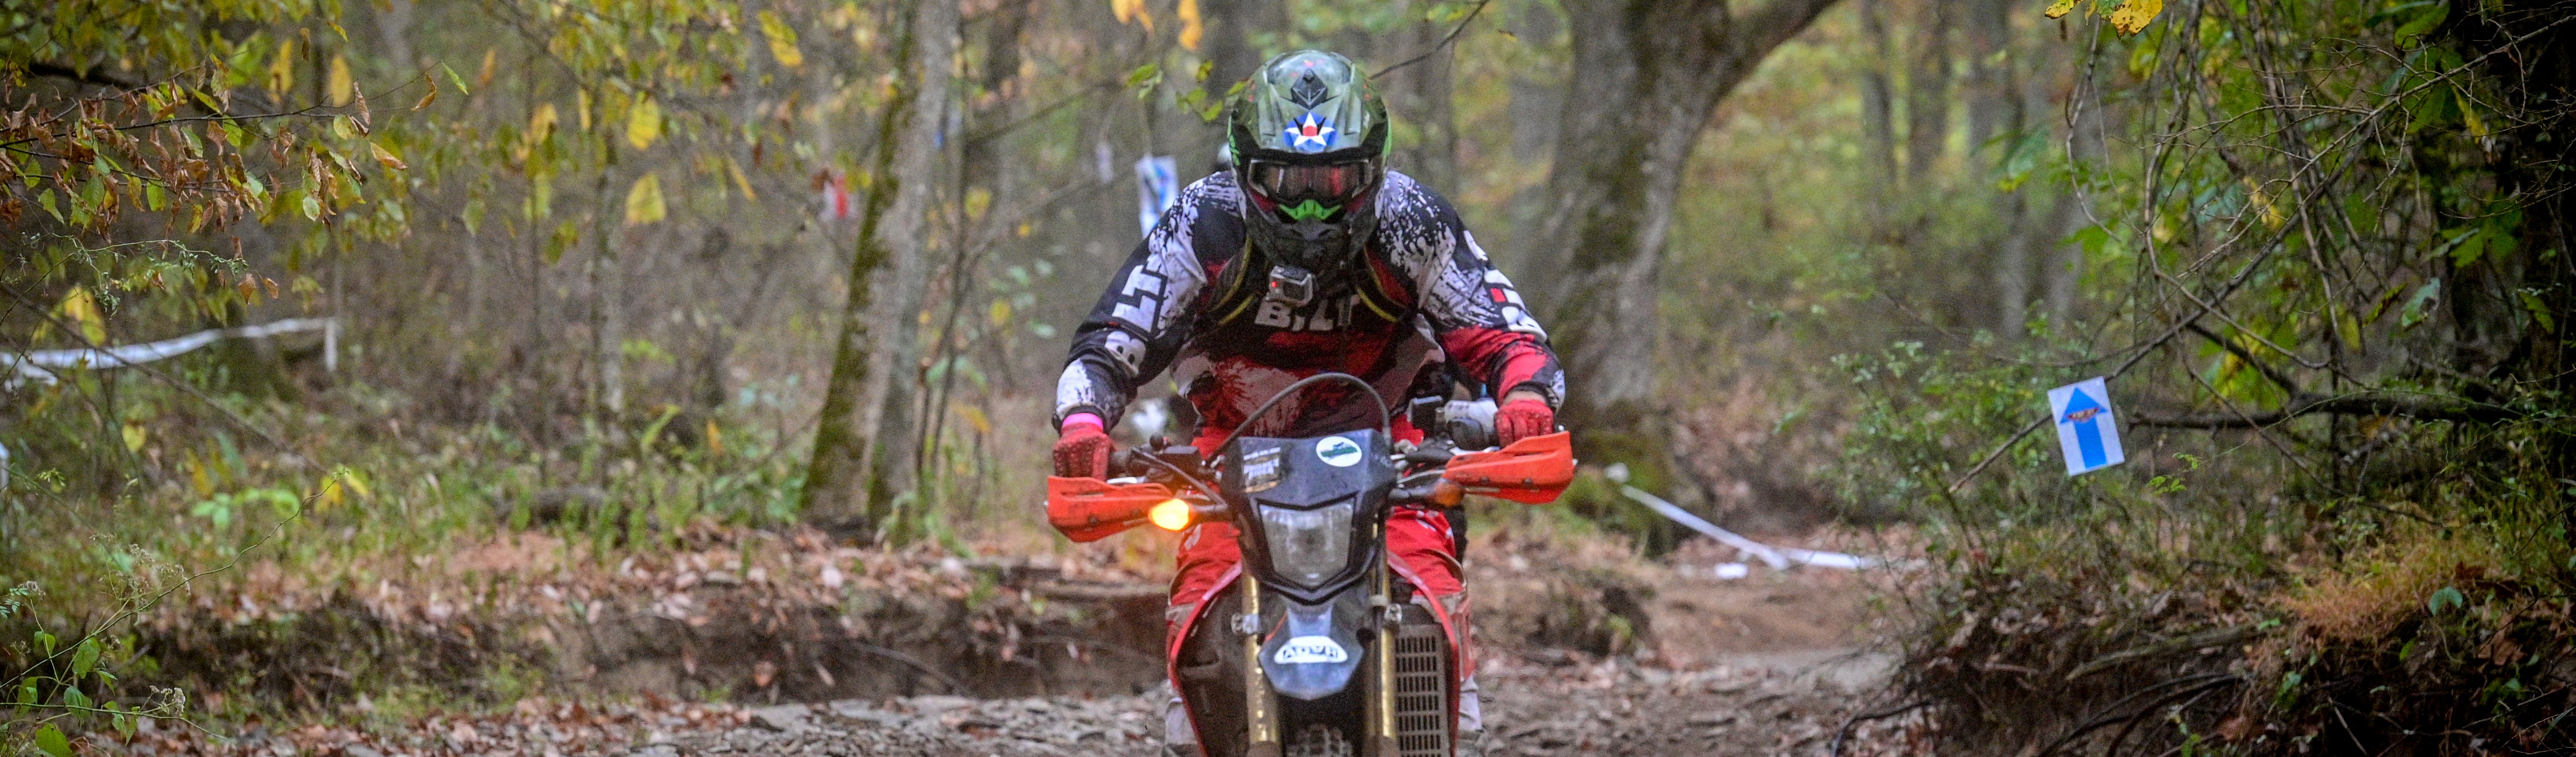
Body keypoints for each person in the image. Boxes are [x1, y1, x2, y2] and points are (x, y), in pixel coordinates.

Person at [1050, 49, 1564, 757]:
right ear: (1247, 171)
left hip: (1393, 450)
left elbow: (1504, 331)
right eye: (1288, 179)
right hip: (1233, 455)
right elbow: (1112, 341)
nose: (1312, 204)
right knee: (1203, 587)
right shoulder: (1204, 223)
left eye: (1334, 179)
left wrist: (1525, 396)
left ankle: (1445, 721)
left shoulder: (1411, 221)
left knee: (1424, 582)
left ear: (1371, 170)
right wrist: (1083, 424)